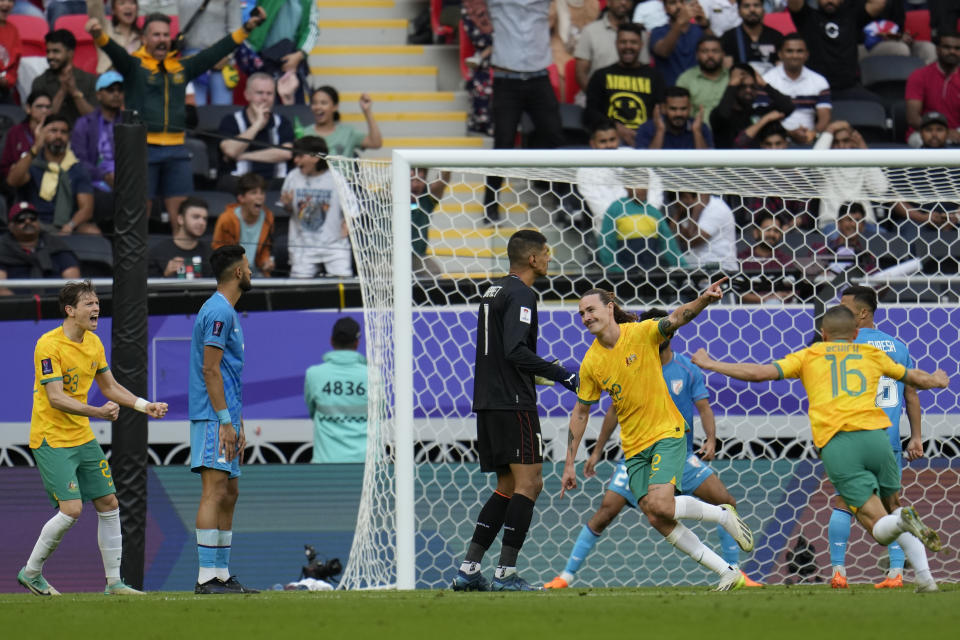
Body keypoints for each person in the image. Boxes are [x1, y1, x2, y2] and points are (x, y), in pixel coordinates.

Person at [691, 304, 948, 593]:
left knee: (877, 526)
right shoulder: (872, 354)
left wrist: (712, 364)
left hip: (840, 444)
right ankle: (925, 579)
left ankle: (897, 525)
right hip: (879, 439)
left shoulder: (809, 356)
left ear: (823, 333)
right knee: (893, 507)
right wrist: (937, 380)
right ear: (855, 333)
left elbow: (759, 373)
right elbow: (913, 379)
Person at [545, 308, 762, 589]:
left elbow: (704, 407)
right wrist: (597, 450)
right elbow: (610, 410)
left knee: (722, 499)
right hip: (636, 451)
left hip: (674, 447)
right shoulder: (630, 360)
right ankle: (566, 576)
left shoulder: (685, 368)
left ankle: (736, 569)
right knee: (615, 511)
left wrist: (710, 438)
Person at [16, 279, 168, 597]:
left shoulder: (94, 343)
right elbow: (56, 397)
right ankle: (31, 573)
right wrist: (96, 412)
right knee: (71, 510)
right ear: (70, 310)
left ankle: (115, 583)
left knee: (109, 502)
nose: (96, 307)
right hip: (51, 438)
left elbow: (110, 386)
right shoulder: (48, 345)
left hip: (81, 436)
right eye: (88, 302)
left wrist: (145, 405)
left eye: (97, 301)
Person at [451, 229, 580, 592]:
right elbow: (514, 350)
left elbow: (504, 354)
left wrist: (532, 371)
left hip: (489, 401)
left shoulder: (493, 291)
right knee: (531, 482)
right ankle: (505, 573)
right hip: (513, 403)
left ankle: (469, 569)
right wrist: (560, 374)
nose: (550, 259)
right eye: (546, 253)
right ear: (533, 259)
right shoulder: (523, 293)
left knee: (507, 485)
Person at [87, 8, 268, 236]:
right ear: (144, 38)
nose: (162, 40)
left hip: (176, 150)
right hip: (143, 150)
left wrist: (246, 29)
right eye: (156, 35)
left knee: (183, 219)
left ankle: (180, 268)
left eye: (165, 35)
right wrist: (98, 34)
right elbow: (113, 51)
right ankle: (137, 270)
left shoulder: (181, 67)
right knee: (138, 217)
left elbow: (216, 52)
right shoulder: (134, 65)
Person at [827, 285, 922, 590]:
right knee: (892, 505)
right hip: (888, 438)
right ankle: (896, 573)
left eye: (846, 308)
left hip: (852, 436)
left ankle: (839, 571)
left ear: (864, 313)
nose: (840, 313)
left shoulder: (842, 345)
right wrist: (916, 437)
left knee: (844, 502)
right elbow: (910, 394)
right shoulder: (898, 346)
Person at [189, 244, 258, 594]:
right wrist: (225, 422)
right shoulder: (219, 313)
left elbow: (229, 375)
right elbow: (210, 370)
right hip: (213, 417)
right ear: (236, 273)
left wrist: (238, 423)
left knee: (230, 491)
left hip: (226, 417)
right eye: (248, 266)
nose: (251, 271)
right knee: (213, 491)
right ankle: (206, 578)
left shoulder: (227, 311)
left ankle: (221, 574)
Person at [482, 0, 567, 224]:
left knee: (556, 138)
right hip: (506, 78)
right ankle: (490, 205)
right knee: (503, 143)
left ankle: (566, 202)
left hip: (539, 77)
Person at [7, 113, 98, 235]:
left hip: (68, 226)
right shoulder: (31, 163)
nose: (58, 136)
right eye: (53, 131)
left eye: (63, 132)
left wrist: (70, 226)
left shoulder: (77, 168)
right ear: (42, 134)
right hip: (34, 223)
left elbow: (86, 209)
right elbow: (13, 181)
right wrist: (35, 148)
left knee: (92, 232)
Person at [584, 23, 666, 147]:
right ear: (616, 44)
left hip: (646, 143)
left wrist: (642, 134)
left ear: (641, 45)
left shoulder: (655, 77)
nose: (628, 46)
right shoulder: (600, 76)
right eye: (623, 42)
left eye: (633, 42)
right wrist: (616, 128)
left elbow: (661, 113)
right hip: (610, 143)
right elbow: (591, 112)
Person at [280, 136, 351, 278]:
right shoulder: (293, 176)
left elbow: (352, 209)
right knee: (299, 293)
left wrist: (347, 224)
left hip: (334, 246)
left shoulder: (336, 178)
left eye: (300, 156)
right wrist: (287, 204)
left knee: (343, 288)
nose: (295, 160)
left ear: (315, 157)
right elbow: (288, 209)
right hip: (302, 246)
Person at [787, 0, 886, 102]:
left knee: (880, 107)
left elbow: (878, 3)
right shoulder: (807, 17)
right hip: (815, 89)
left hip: (848, 88)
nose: (829, 1)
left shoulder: (853, 15)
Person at [305, 317, 369, 463]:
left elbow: (312, 412)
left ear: (331, 341)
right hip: (367, 465)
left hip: (326, 463)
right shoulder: (373, 375)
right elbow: (380, 413)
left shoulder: (314, 374)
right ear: (357, 342)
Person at [218, 72, 294, 188]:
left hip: (276, 183)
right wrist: (257, 125)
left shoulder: (282, 122)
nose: (265, 98)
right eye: (259, 93)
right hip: (241, 183)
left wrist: (244, 156)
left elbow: (285, 153)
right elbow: (231, 151)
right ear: (247, 95)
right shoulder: (231, 120)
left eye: (269, 94)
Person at [71, 71, 124, 234]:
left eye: (119, 90)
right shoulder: (84, 123)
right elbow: (79, 160)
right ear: (99, 95)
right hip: (95, 181)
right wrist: (104, 175)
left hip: (126, 180)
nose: (116, 94)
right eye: (110, 90)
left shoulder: (131, 124)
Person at [762, 34, 831, 146]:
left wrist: (814, 133)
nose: (795, 55)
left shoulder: (819, 81)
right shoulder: (767, 80)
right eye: (789, 51)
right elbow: (761, 116)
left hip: (810, 140)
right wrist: (788, 133)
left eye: (799, 51)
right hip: (776, 142)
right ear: (780, 54)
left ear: (806, 55)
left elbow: (825, 116)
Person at [597, 184, 685, 272]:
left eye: (645, 184)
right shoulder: (616, 208)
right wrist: (613, 268)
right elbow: (607, 241)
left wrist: (683, 266)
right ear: (627, 186)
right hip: (624, 273)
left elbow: (668, 244)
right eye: (637, 184)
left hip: (650, 272)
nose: (642, 189)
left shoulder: (653, 212)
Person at [0, 201, 80, 295]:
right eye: (21, 219)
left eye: (32, 218)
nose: (28, 221)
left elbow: (74, 285)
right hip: (15, 305)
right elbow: (2, 290)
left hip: (57, 304)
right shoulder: (2, 249)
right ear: (11, 226)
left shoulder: (56, 245)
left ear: (38, 223)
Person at [710, 63, 794, 149]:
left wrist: (764, 84)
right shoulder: (719, 114)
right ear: (733, 86)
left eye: (753, 86)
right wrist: (732, 85)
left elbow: (788, 106)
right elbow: (723, 115)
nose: (748, 90)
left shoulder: (759, 113)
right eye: (742, 86)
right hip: (728, 161)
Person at [212, 172, 276, 278]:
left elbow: (265, 249)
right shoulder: (226, 219)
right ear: (241, 198)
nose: (259, 197)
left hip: (258, 275)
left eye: (262, 193)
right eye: (254, 192)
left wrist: (265, 262)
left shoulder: (268, 218)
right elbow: (218, 249)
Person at [904, 31, 960, 148]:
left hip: (957, 132)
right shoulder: (919, 75)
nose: (952, 52)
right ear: (937, 49)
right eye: (947, 47)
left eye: (957, 48)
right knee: (927, 141)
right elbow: (912, 118)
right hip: (924, 131)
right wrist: (944, 132)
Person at [30, 29, 97, 126]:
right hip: (51, 138)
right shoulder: (40, 82)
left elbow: (95, 119)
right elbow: (42, 120)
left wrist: (74, 92)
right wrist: (62, 90)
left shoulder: (90, 80)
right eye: (48, 51)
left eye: (56, 51)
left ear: (70, 53)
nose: (50, 56)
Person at [732, 212, 800, 303]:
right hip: (747, 310)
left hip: (779, 309)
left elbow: (794, 290)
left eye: (776, 231)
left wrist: (776, 297)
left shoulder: (785, 261)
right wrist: (765, 299)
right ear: (756, 233)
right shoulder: (743, 259)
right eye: (767, 230)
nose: (772, 234)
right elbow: (736, 291)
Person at [573, 0, 639, 94]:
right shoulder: (590, 32)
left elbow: (644, 71)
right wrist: (596, 98)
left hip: (631, 99)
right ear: (608, 2)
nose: (623, 2)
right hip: (595, 98)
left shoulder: (640, 34)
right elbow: (580, 74)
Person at [300, 86, 383, 158]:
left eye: (323, 103)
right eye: (314, 103)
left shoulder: (348, 132)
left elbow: (376, 143)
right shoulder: (303, 133)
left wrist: (367, 111)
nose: (318, 107)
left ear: (335, 106)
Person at [668, 191, 738, 271]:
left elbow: (694, 241)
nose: (679, 209)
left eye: (678, 206)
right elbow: (675, 232)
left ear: (686, 196)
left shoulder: (716, 208)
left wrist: (696, 210)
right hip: (699, 267)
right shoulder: (689, 211)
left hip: (721, 269)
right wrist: (679, 216)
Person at [149, 196, 213, 278]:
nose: (202, 222)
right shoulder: (157, 253)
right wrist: (165, 276)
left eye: (205, 219)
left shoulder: (210, 254)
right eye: (196, 217)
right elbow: (147, 288)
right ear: (180, 219)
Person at [650, 0, 710, 87]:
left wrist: (705, 25)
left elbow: (717, 51)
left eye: (682, 2)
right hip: (670, 92)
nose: (679, 6)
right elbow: (663, 52)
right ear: (665, 9)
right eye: (672, 3)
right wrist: (680, 22)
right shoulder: (657, 32)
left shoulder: (698, 30)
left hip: (698, 90)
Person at [635, 87, 712, 150]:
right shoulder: (647, 128)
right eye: (673, 109)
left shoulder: (700, 128)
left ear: (690, 108)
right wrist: (660, 131)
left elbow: (708, 164)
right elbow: (646, 164)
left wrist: (697, 131)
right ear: (663, 108)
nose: (678, 114)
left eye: (683, 109)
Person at [676, 34, 729, 125]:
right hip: (696, 133)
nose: (710, 55)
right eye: (704, 51)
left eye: (715, 51)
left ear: (723, 55)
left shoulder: (732, 77)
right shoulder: (686, 78)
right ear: (697, 55)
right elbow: (679, 110)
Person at [720, 0, 781, 74]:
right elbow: (727, 70)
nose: (752, 10)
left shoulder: (776, 37)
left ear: (763, 10)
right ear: (739, 11)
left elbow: (781, 69)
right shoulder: (729, 37)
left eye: (756, 5)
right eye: (746, 6)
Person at [0, 89, 51, 178]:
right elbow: (5, 166)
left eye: (48, 107)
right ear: (28, 108)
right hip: (19, 180)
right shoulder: (16, 131)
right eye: (39, 106)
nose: (44, 110)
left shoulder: (56, 130)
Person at [411, 166, 451, 276]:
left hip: (418, 256)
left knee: (434, 272)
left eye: (419, 180)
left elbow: (442, 181)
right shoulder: (389, 199)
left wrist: (448, 165)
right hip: (391, 257)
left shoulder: (427, 198)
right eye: (411, 180)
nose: (415, 184)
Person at [90, 0, 143, 73]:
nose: (128, 7)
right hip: (109, 80)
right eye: (122, 3)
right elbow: (94, 6)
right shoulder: (105, 28)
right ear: (113, 10)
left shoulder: (143, 37)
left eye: (132, 2)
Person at [0, 0, 22, 104]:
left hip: (4, 90)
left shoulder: (13, 31)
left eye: (10, 0)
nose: (7, 4)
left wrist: (8, 80)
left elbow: (14, 65)